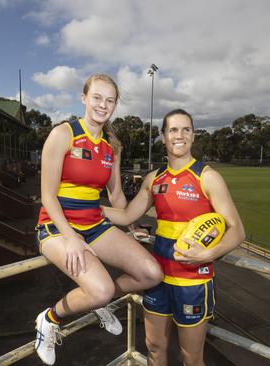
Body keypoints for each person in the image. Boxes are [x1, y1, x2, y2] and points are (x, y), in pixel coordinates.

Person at [34, 73, 163, 365]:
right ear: (84, 98)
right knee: (103, 288)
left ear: (115, 105)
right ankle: (48, 320)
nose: (103, 105)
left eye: (110, 100)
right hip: (56, 226)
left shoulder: (111, 146)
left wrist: (131, 227)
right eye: (97, 97)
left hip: (95, 224)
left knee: (150, 273)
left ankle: (96, 301)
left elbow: (116, 196)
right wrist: (70, 237)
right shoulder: (63, 134)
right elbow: (47, 196)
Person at [103, 109, 245, 366]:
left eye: (186, 129)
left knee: (191, 357)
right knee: (155, 348)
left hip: (192, 282)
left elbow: (237, 230)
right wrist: (82, 208)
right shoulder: (154, 179)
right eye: (173, 130)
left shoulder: (207, 177)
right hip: (158, 279)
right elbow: (125, 215)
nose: (179, 135)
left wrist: (208, 253)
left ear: (192, 135)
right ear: (163, 136)